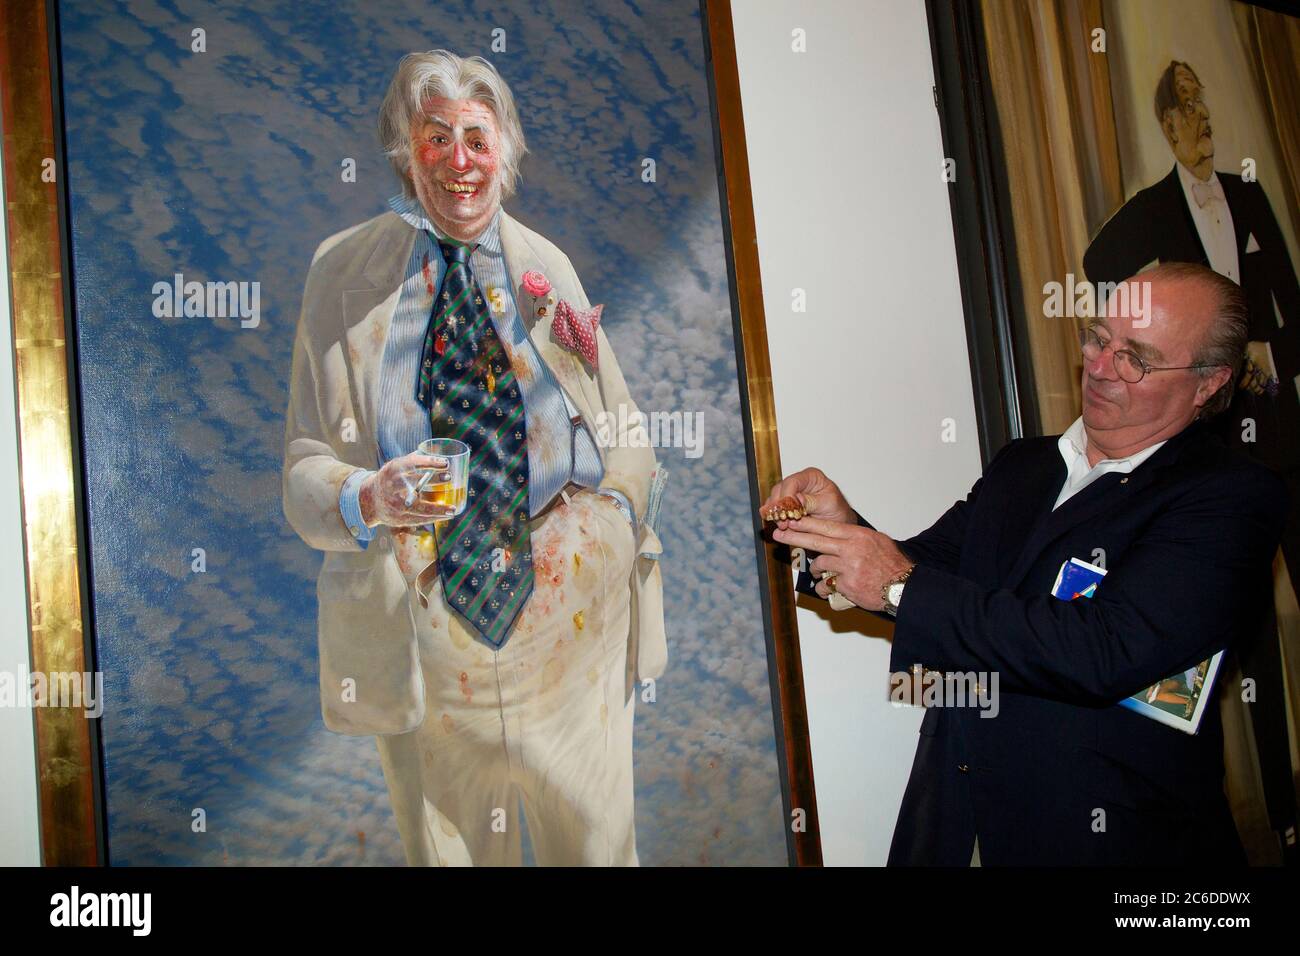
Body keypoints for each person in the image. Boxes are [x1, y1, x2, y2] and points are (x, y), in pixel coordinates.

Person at [761, 263, 1286, 865]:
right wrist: (840, 528)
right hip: (956, 824)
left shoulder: (1228, 496)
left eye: (1135, 358)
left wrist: (899, 585)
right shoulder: (1025, 466)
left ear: (1208, 383)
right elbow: (930, 572)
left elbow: (1105, 651)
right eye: (1097, 337)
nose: (1099, 365)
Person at [282, 50, 667, 866]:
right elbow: (303, 465)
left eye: (476, 140)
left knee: (598, 856)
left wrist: (612, 526)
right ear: (404, 150)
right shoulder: (340, 275)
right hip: (425, 641)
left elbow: (627, 428)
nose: (459, 161)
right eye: (436, 139)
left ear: (505, 154)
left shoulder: (549, 269)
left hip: (570, 627)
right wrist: (367, 496)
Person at [1084, 60, 1300, 860]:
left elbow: (1295, 305)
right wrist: (1155, 341)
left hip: (1281, 439)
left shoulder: (1246, 198)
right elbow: (1095, 263)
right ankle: (1276, 816)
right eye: (1188, 118)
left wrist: (1260, 357)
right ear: (1167, 130)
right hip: (1210, 458)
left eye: (1206, 113)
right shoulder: (1149, 213)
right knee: (1242, 657)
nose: (1203, 127)